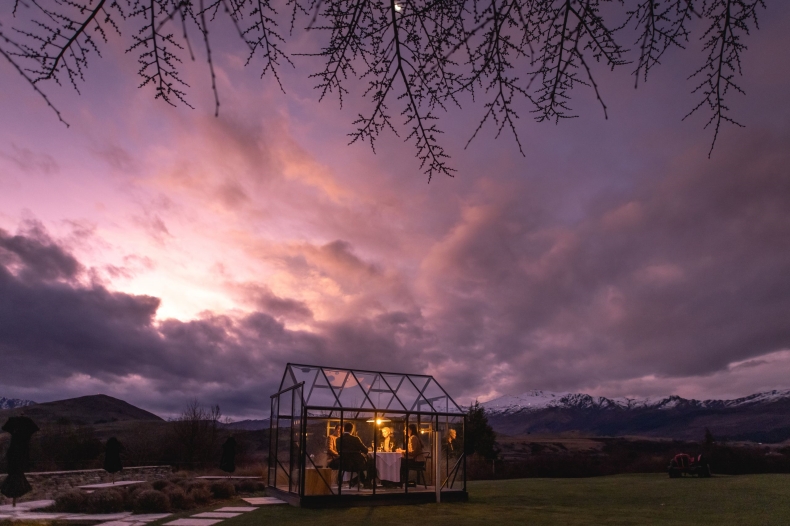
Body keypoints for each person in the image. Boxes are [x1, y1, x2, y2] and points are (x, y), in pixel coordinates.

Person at [337, 422, 370, 486]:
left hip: (343, 463)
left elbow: (338, 451)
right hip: (356, 463)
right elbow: (365, 450)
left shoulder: (338, 439)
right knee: (370, 463)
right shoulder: (355, 439)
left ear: (344, 429)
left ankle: (356, 481)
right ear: (352, 430)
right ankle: (365, 482)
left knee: (358, 465)